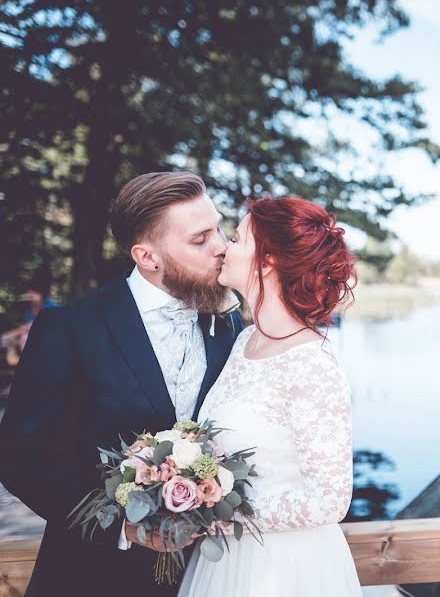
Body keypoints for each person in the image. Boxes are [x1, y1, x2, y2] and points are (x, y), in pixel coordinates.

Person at [0, 172, 243, 597]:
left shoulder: (226, 326)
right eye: (200, 238)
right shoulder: (70, 328)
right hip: (92, 577)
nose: (221, 246)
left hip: (205, 576)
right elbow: (20, 457)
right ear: (147, 256)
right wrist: (122, 525)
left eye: (219, 228)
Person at [177, 195, 362, 596]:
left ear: (268, 260)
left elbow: (330, 501)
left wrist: (221, 507)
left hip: (285, 569)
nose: (224, 247)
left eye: (239, 239)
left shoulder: (311, 363)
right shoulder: (245, 339)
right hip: (224, 560)